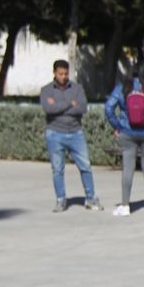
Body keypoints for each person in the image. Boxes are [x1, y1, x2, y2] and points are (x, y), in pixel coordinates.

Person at [39, 59, 102, 212]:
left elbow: (82, 108)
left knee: (85, 166)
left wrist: (59, 105)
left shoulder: (77, 88)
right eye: (60, 74)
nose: (64, 76)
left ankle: (91, 198)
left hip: (76, 133)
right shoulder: (46, 90)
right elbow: (49, 109)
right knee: (57, 169)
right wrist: (69, 104)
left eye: (66, 73)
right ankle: (61, 200)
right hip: (54, 133)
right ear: (54, 73)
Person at [104, 65, 144, 217]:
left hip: (128, 132)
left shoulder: (122, 88)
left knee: (128, 168)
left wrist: (117, 126)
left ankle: (125, 205)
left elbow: (108, 108)